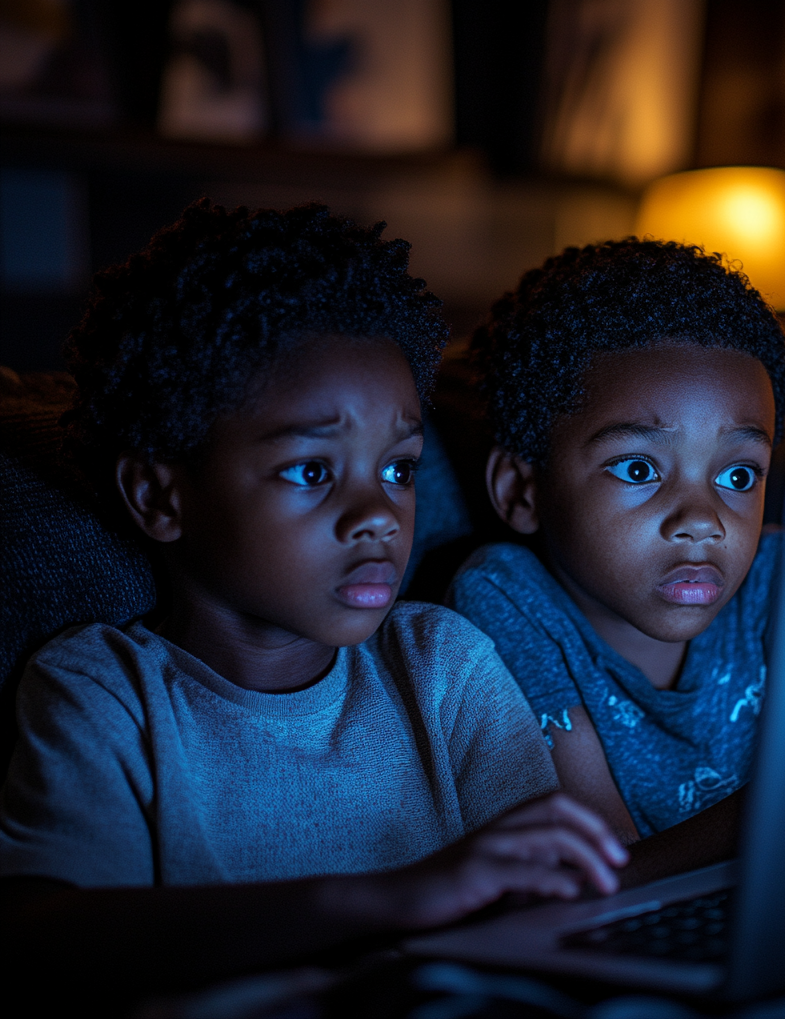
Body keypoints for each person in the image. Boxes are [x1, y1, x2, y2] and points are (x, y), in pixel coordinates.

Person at [0, 202, 626, 997]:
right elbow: (39, 940)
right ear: (161, 496)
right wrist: (378, 901)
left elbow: (544, 891)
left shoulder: (445, 663)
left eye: (398, 468)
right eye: (312, 470)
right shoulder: (106, 693)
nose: (378, 515)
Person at [446, 238, 785, 881]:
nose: (703, 519)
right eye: (639, 468)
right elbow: (607, 869)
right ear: (521, 491)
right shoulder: (506, 600)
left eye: (740, 476)